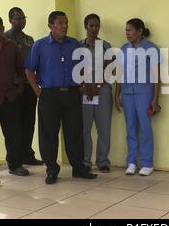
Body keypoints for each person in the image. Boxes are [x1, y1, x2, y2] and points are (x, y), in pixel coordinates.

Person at [25, 11, 98, 184]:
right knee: (49, 133)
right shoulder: (40, 45)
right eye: (60, 23)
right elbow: (29, 70)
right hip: (49, 95)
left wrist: (82, 84)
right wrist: (37, 91)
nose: (65, 26)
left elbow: (82, 67)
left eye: (66, 22)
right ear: (50, 26)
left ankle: (78, 168)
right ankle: (51, 170)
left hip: (72, 93)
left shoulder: (73, 43)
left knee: (74, 132)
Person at [0, 15, 29, 176]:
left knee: (13, 134)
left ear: (3, 29)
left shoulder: (12, 46)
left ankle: (15, 165)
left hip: (10, 97)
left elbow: (20, 69)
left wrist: (20, 88)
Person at [115, 18, 161, 176]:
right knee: (130, 128)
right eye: (126, 30)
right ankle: (132, 162)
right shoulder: (123, 49)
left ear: (140, 31)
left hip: (144, 93)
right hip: (127, 93)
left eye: (130, 30)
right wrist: (117, 94)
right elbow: (120, 74)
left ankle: (147, 163)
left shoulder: (151, 49)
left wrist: (155, 99)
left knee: (145, 127)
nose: (127, 33)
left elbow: (156, 77)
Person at [5, 8, 43, 166]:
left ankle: (28, 154)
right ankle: (15, 157)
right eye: (18, 18)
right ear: (11, 20)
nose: (22, 21)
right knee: (15, 123)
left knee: (29, 122)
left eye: (23, 18)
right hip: (15, 87)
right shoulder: (6, 37)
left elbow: (34, 62)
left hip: (30, 85)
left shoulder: (29, 39)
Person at [80, 14, 113, 173]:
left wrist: (97, 86)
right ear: (85, 27)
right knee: (85, 128)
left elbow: (110, 69)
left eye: (97, 25)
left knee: (104, 128)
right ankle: (85, 161)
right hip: (84, 91)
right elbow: (77, 70)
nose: (94, 28)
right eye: (91, 25)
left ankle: (103, 161)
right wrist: (86, 86)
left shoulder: (106, 46)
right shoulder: (79, 46)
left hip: (103, 90)